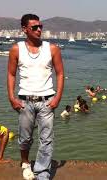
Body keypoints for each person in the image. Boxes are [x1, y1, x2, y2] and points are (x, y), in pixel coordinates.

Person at [7, 14, 64, 180]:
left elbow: (60, 74)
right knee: (25, 138)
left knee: (46, 139)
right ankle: (25, 162)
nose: (39, 30)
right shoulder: (16, 49)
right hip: (25, 101)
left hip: (47, 101)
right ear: (25, 29)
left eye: (41, 27)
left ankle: (42, 173)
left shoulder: (52, 49)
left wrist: (57, 97)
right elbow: (11, 74)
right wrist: (12, 97)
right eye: (34, 27)